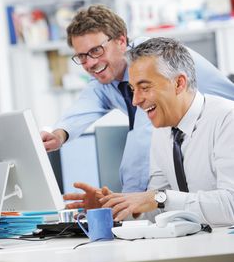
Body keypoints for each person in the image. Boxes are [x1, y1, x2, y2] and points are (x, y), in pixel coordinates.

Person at [41, 4, 234, 196]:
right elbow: (86, 103)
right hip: (195, 148)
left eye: (96, 51)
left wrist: (126, 203)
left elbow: (142, 140)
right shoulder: (107, 77)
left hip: (225, 134)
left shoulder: (149, 61)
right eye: (82, 56)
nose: (90, 63)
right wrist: (59, 135)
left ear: (121, 40)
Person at [99, 37, 234, 226]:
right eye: (132, 89)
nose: (135, 101)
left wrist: (159, 198)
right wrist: (110, 208)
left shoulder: (228, 119)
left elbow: (231, 206)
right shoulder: (163, 129)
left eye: (144, 88)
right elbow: (157, 207)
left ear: (179, 83)